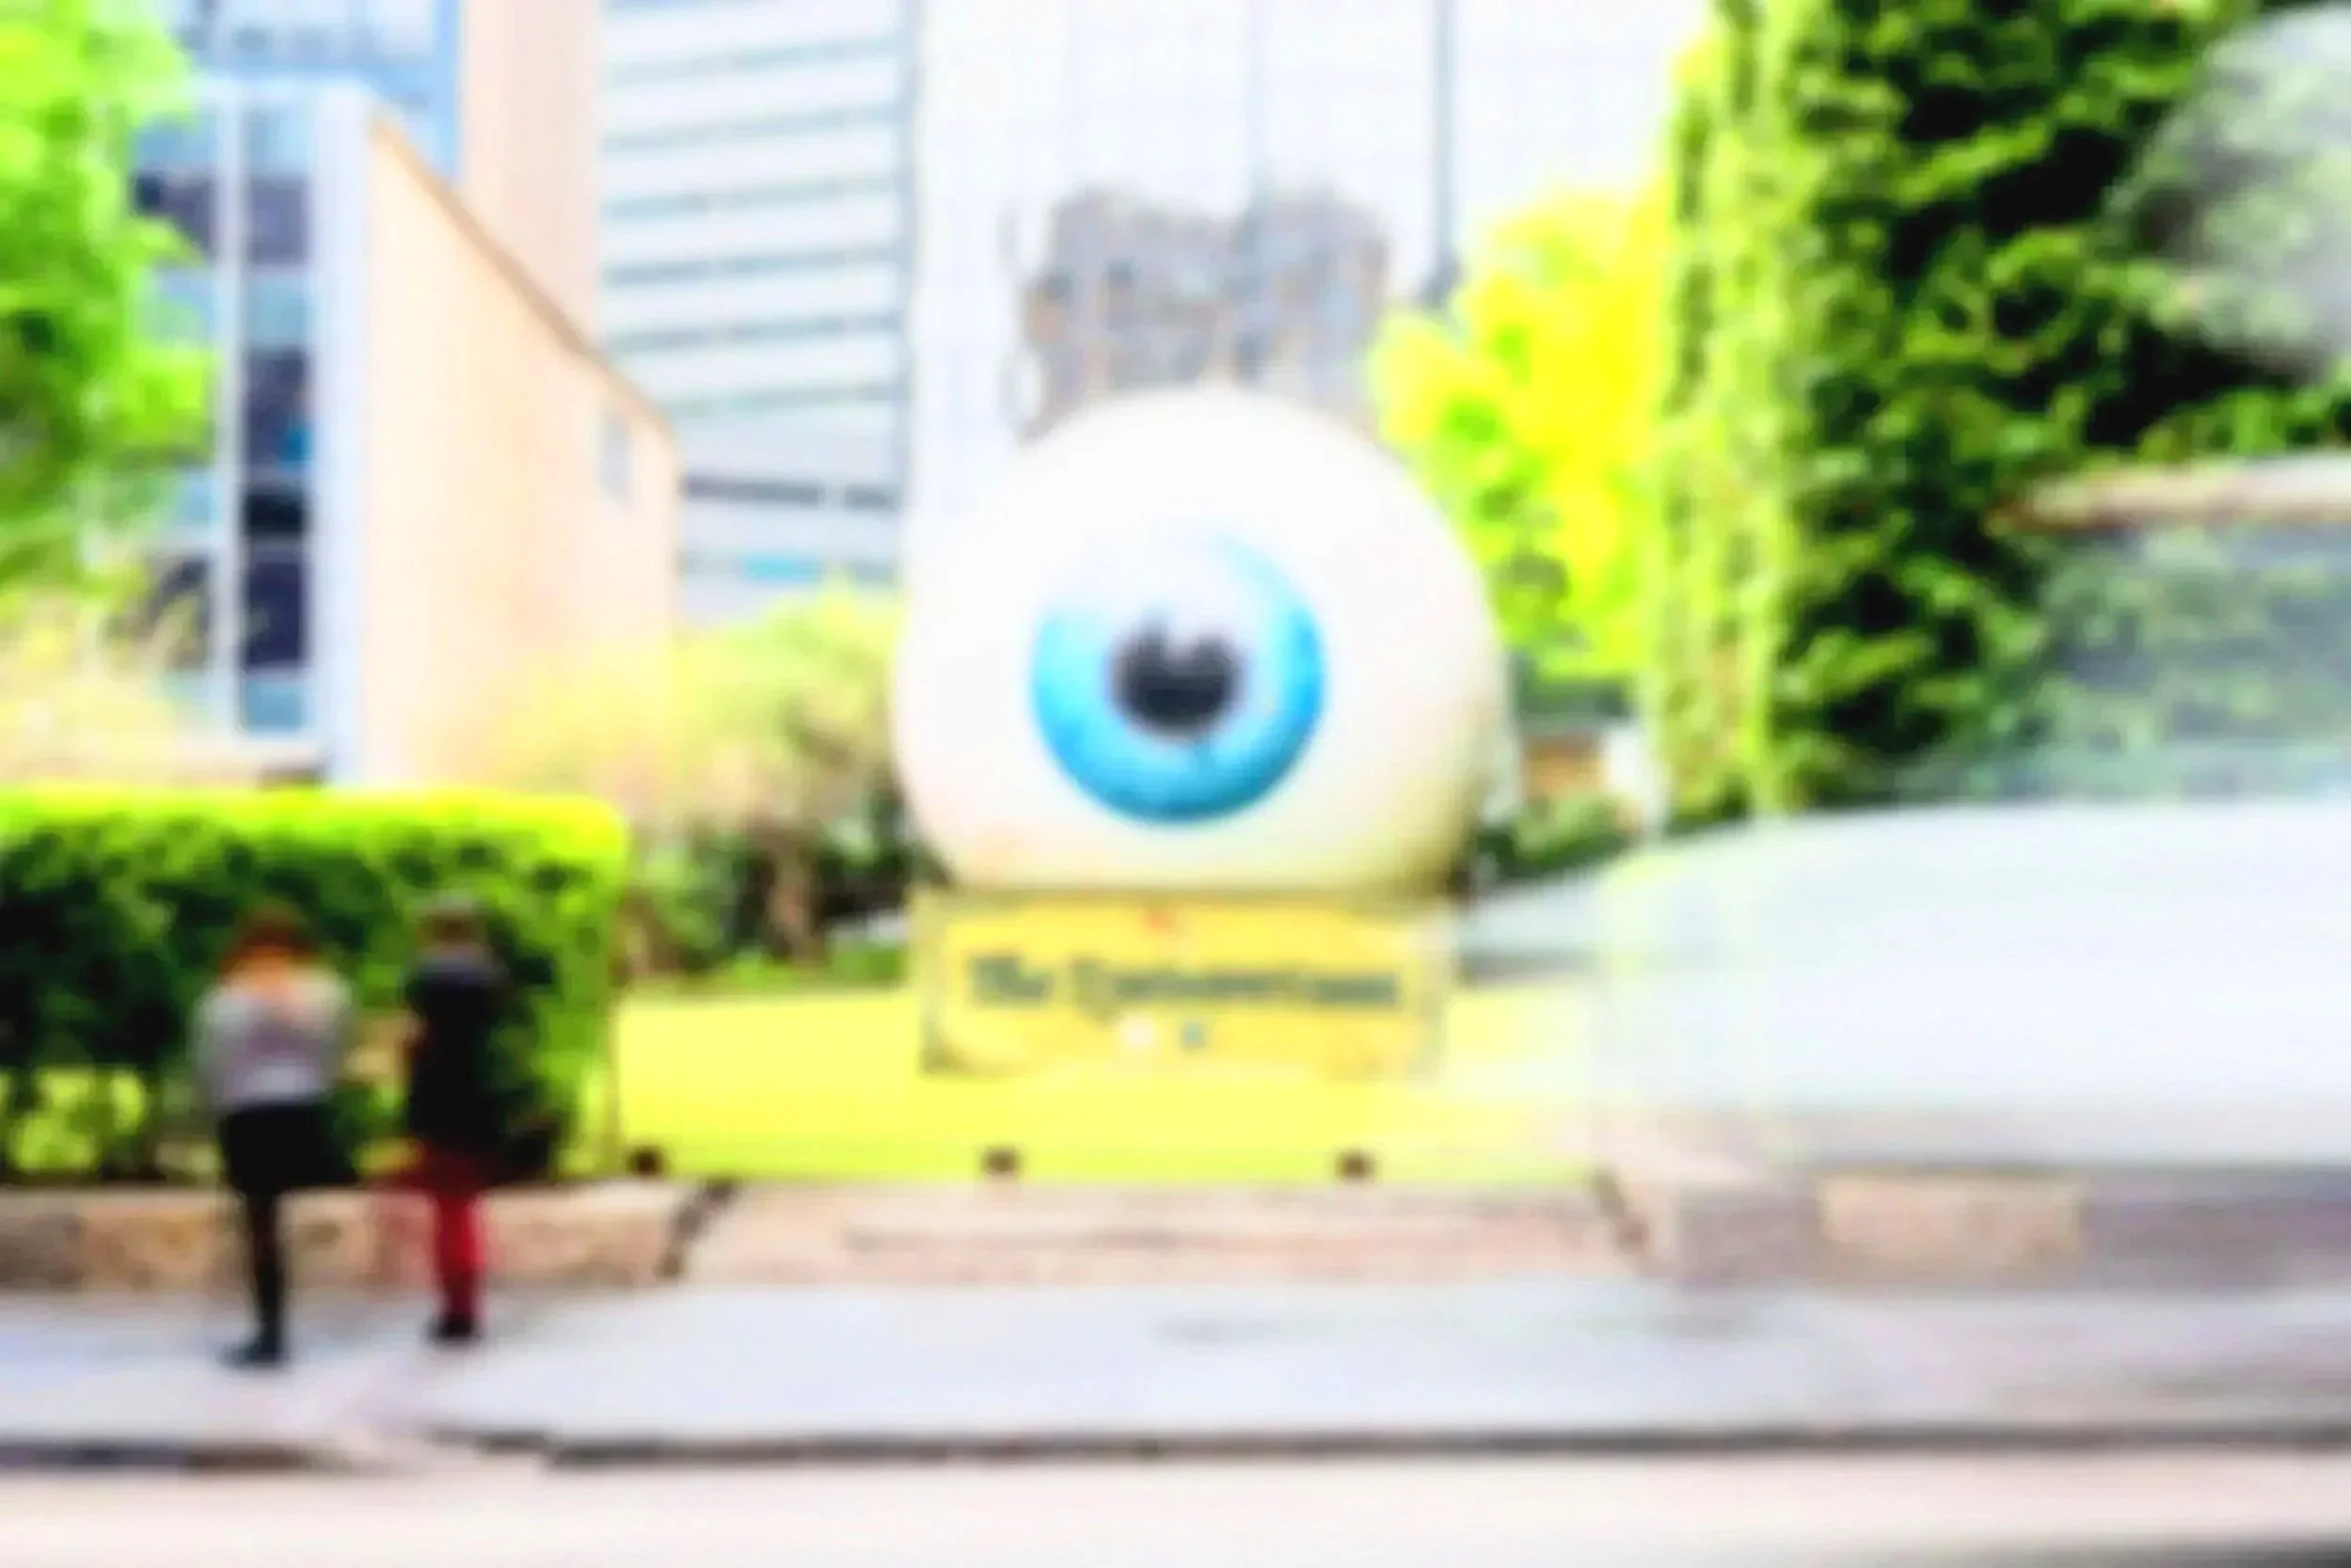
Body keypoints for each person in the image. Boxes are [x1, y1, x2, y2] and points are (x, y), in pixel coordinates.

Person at [193, 903, 356, 1370]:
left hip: (248, 1113)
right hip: (302, 1109)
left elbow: (212, 1058)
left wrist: (212, 1103)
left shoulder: (229, 998)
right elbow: (335, 1049)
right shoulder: (325, 993)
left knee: (260, 1223)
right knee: (275, 1218)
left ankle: (270, 1331)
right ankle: (276, 1325)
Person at [397, 895, 510, 1347]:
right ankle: (467, 1298)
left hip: (435, 1098)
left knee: (448, 1212)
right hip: (477, 1096)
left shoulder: (424, 977)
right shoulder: (490, 977)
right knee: (463, 1207)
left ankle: (456, 1307)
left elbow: (415, 1036)